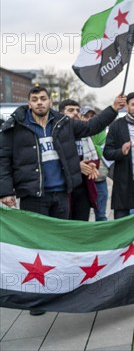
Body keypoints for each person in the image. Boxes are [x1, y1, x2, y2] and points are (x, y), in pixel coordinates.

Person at [0, 87, 124, 316]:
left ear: (50, 101)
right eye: (35, 99)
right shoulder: (14, 127)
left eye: (43, 99)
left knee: (61, 244)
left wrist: (113, 109)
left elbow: (90, 127)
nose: (39, 103)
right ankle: (38, 298)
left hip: (62, 194)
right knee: (36, 248)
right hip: (33, 196)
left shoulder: (63, 123)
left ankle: (63, 290)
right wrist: (5, 192)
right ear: (29, 103)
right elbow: (3, 160)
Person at [58, 99, 99, 221]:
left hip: (83, 188)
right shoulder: (55, 134)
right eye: (70, 110)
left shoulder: (84, 133)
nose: (75, 113)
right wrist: (76, 165)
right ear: (61, 114)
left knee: (81, 225)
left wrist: (92, 164)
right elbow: (54, 163)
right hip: (64, 190)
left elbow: (94, 157)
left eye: (77, 110)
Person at [81, 106, 109, 222]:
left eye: (92, 116)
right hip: (82, 180)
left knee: (101, 214)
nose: (89, 119)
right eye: (86, 116)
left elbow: (105, 150)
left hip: (99, 178)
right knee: (82, 214)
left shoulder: (102, 132)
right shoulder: (76, 132)